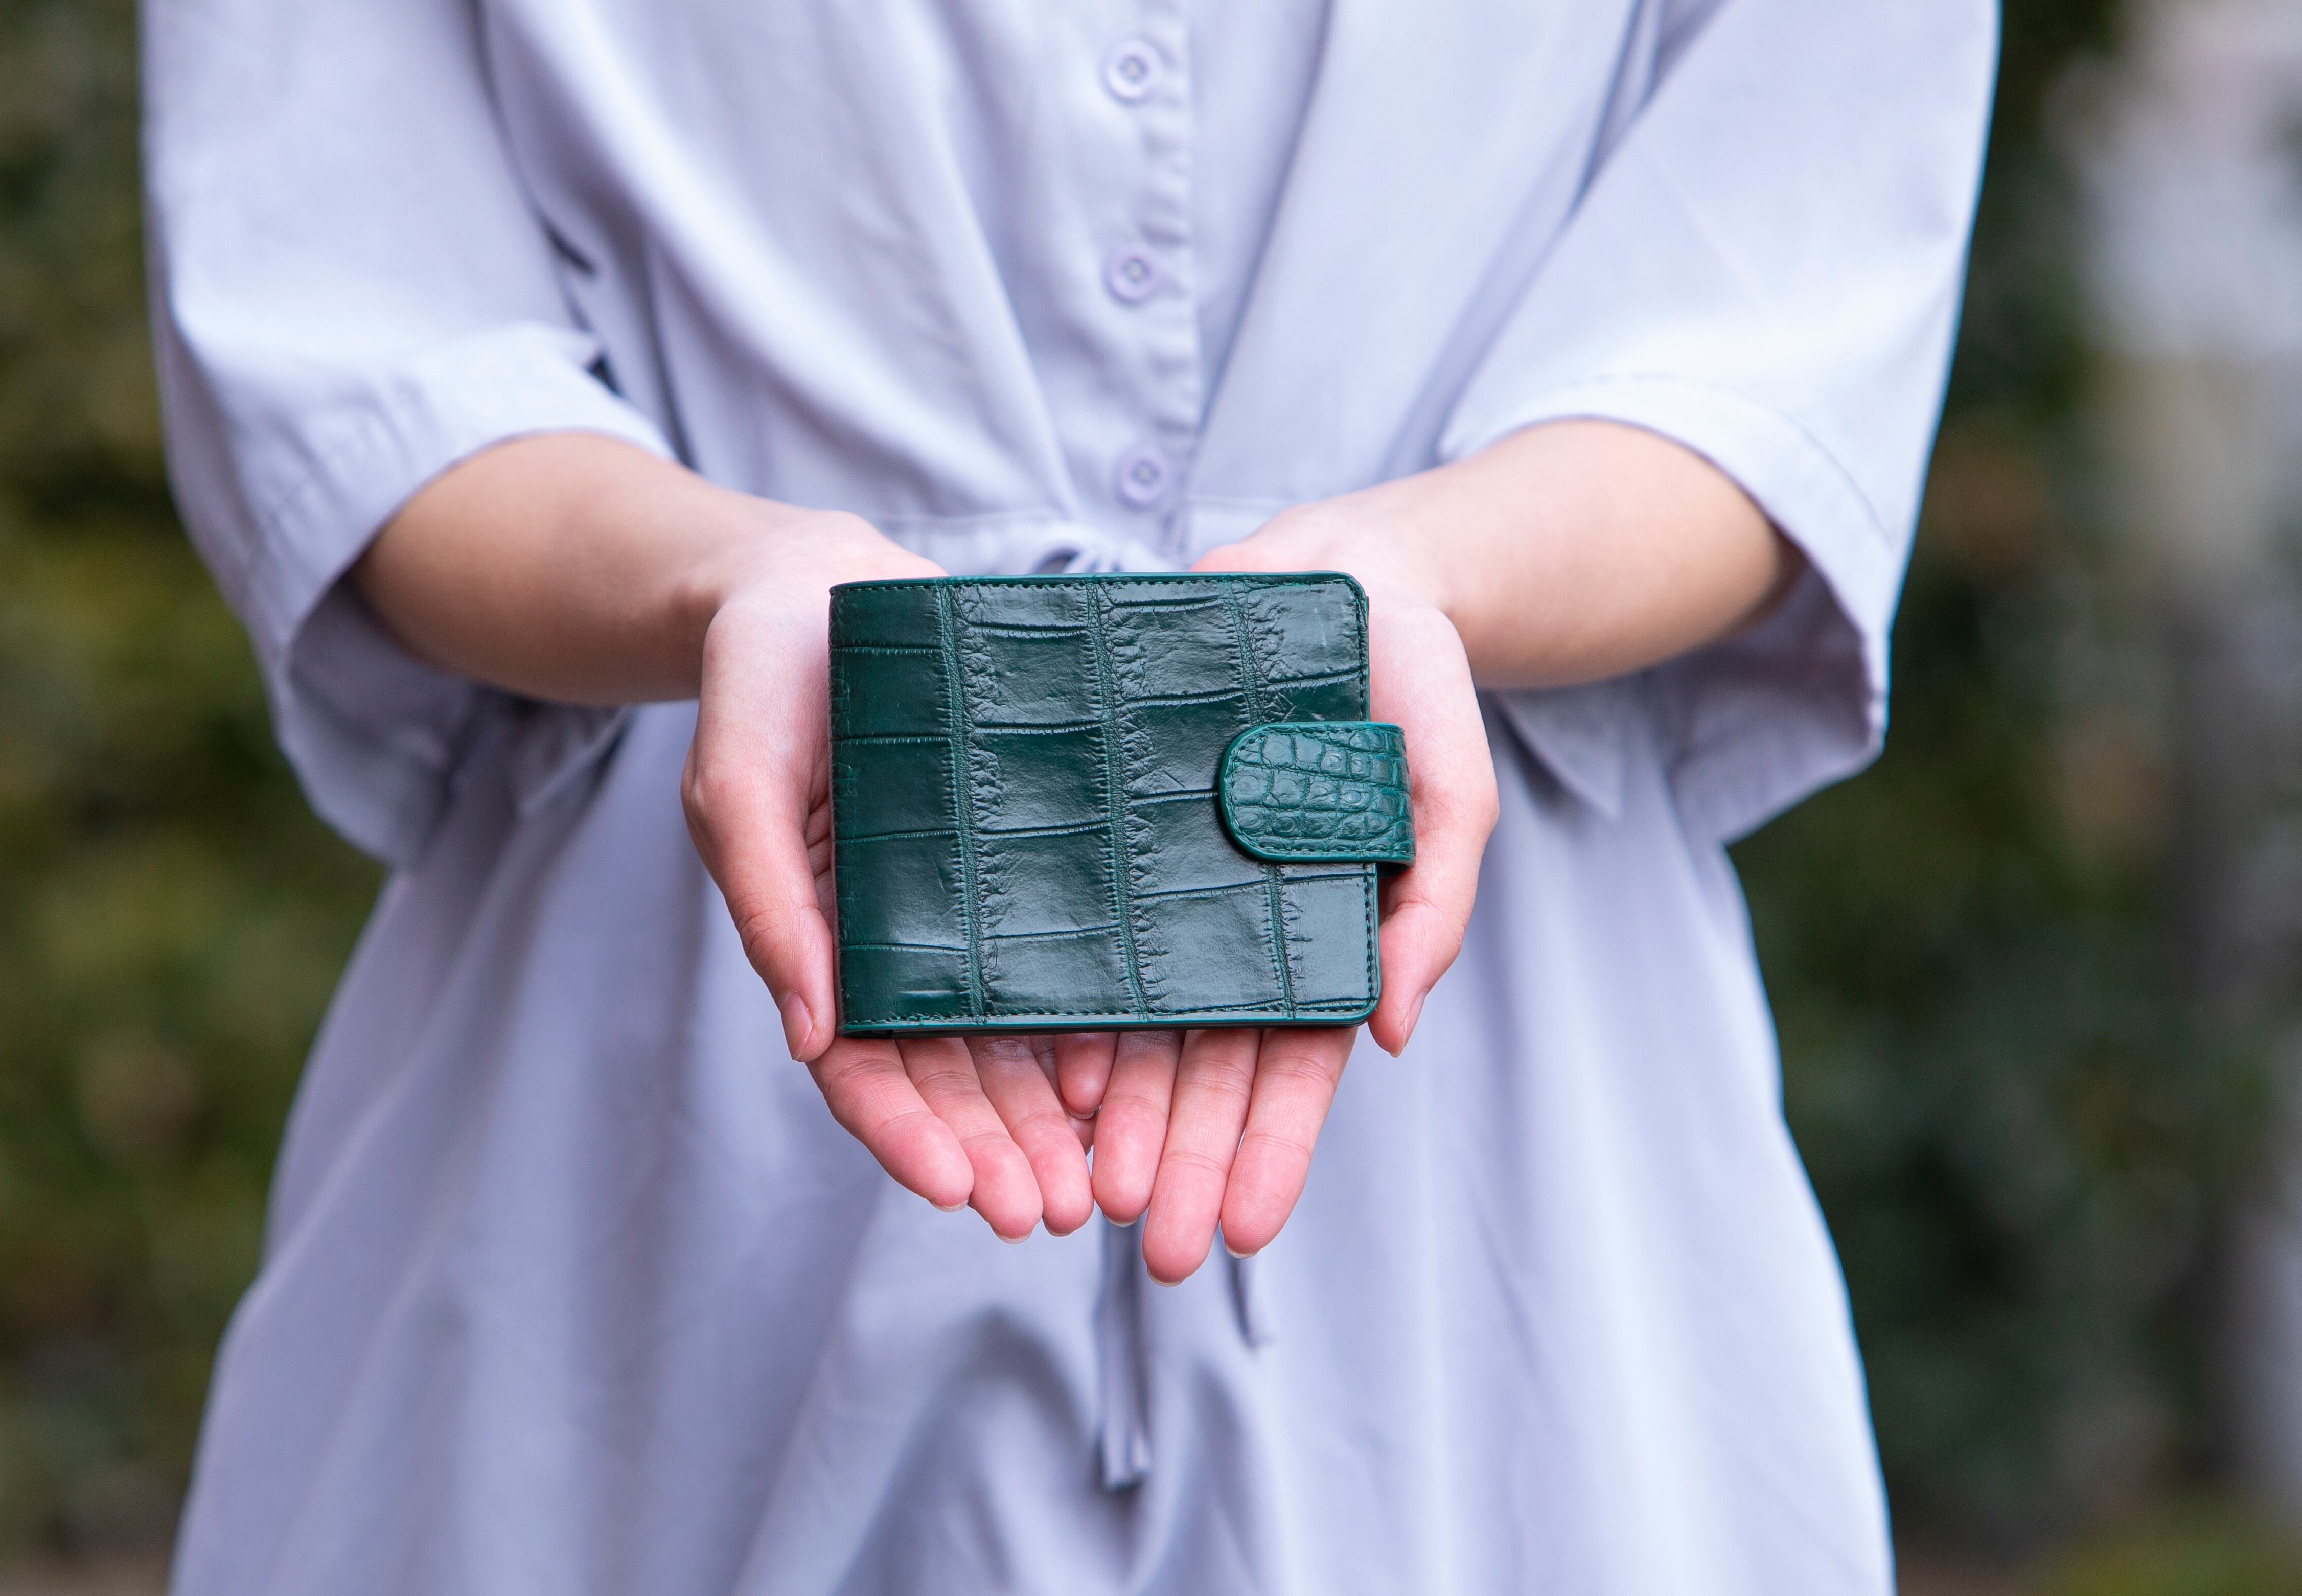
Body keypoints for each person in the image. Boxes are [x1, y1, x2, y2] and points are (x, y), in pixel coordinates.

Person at [141, 2, 1996, 1590]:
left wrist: (1419, 576)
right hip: (657, 1081)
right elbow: (359, 354)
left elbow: (1780, 337)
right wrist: (725, 582)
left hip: (1492, 1116)